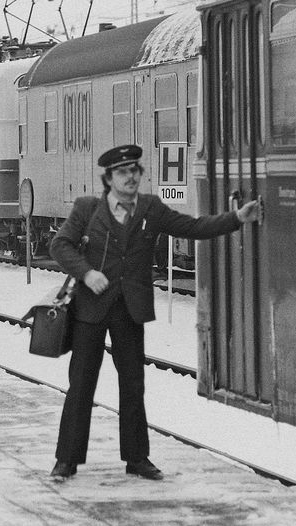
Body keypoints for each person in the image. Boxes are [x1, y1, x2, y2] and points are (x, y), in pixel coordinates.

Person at [49, 144, 261, 481]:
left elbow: (192, 228)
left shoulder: (150, 208)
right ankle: (66, 460)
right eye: (123, 172)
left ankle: (137, 458)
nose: (131, 177)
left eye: (135, 170)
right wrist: (87, 272)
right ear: (109, 178)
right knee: (81, 386)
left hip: (129, 312)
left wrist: (236, 218)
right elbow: (60, 245)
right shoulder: (87, 208)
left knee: (133, 385)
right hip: (90, 311)